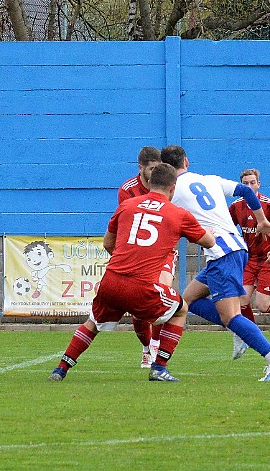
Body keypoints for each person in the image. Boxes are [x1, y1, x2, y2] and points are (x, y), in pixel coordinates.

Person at [48, 163, 216, 382]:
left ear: (149, 183)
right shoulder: (178, 213)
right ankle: (159, 367)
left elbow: (108, 242)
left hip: (111, 280)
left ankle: (60, 369)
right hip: (141, 285)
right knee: (181, 309)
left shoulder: (127, 205)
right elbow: (208, 242)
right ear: (172, 188)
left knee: (93, 323)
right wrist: (208, 231)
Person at [159, 145, 270, 381]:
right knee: (186, 300)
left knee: (230, 316)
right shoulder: (210, 179)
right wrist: (261, 220)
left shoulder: (172, 190)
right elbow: (247, 192)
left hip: (222, 254)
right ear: (187, 162)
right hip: (234, 249)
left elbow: (170, 225)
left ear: (166, 167)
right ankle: (240, 329)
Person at [228, 168, 270, 359]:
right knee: (241, 301)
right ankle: (250, 336)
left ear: (258, 184)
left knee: (263, 305)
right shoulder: (236, 206)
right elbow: (228, 227)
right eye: (245, 184)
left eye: (252, 183)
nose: (249, 186)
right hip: (251, 259)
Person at [118, 146, 173, 369]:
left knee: (161, 296)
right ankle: (146, 345)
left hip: (164, 249)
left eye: (157, 168)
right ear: (141, 168)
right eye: (151, 169)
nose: (154, 173)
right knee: (139, 307)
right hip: (138, 253)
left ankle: (157, 344)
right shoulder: (127, 190)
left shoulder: (168, 185)